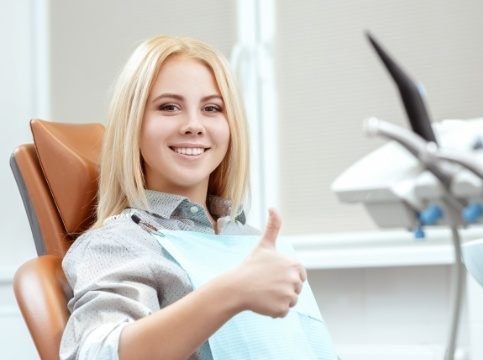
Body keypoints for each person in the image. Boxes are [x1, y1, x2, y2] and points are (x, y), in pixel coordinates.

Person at [60, 35, 337, 360]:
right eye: (169, 107)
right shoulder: (122, 242)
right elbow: (96, 353)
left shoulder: (252, 242)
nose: (194, 125)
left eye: (212, 108)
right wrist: (232, 291)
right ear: (133, 124)